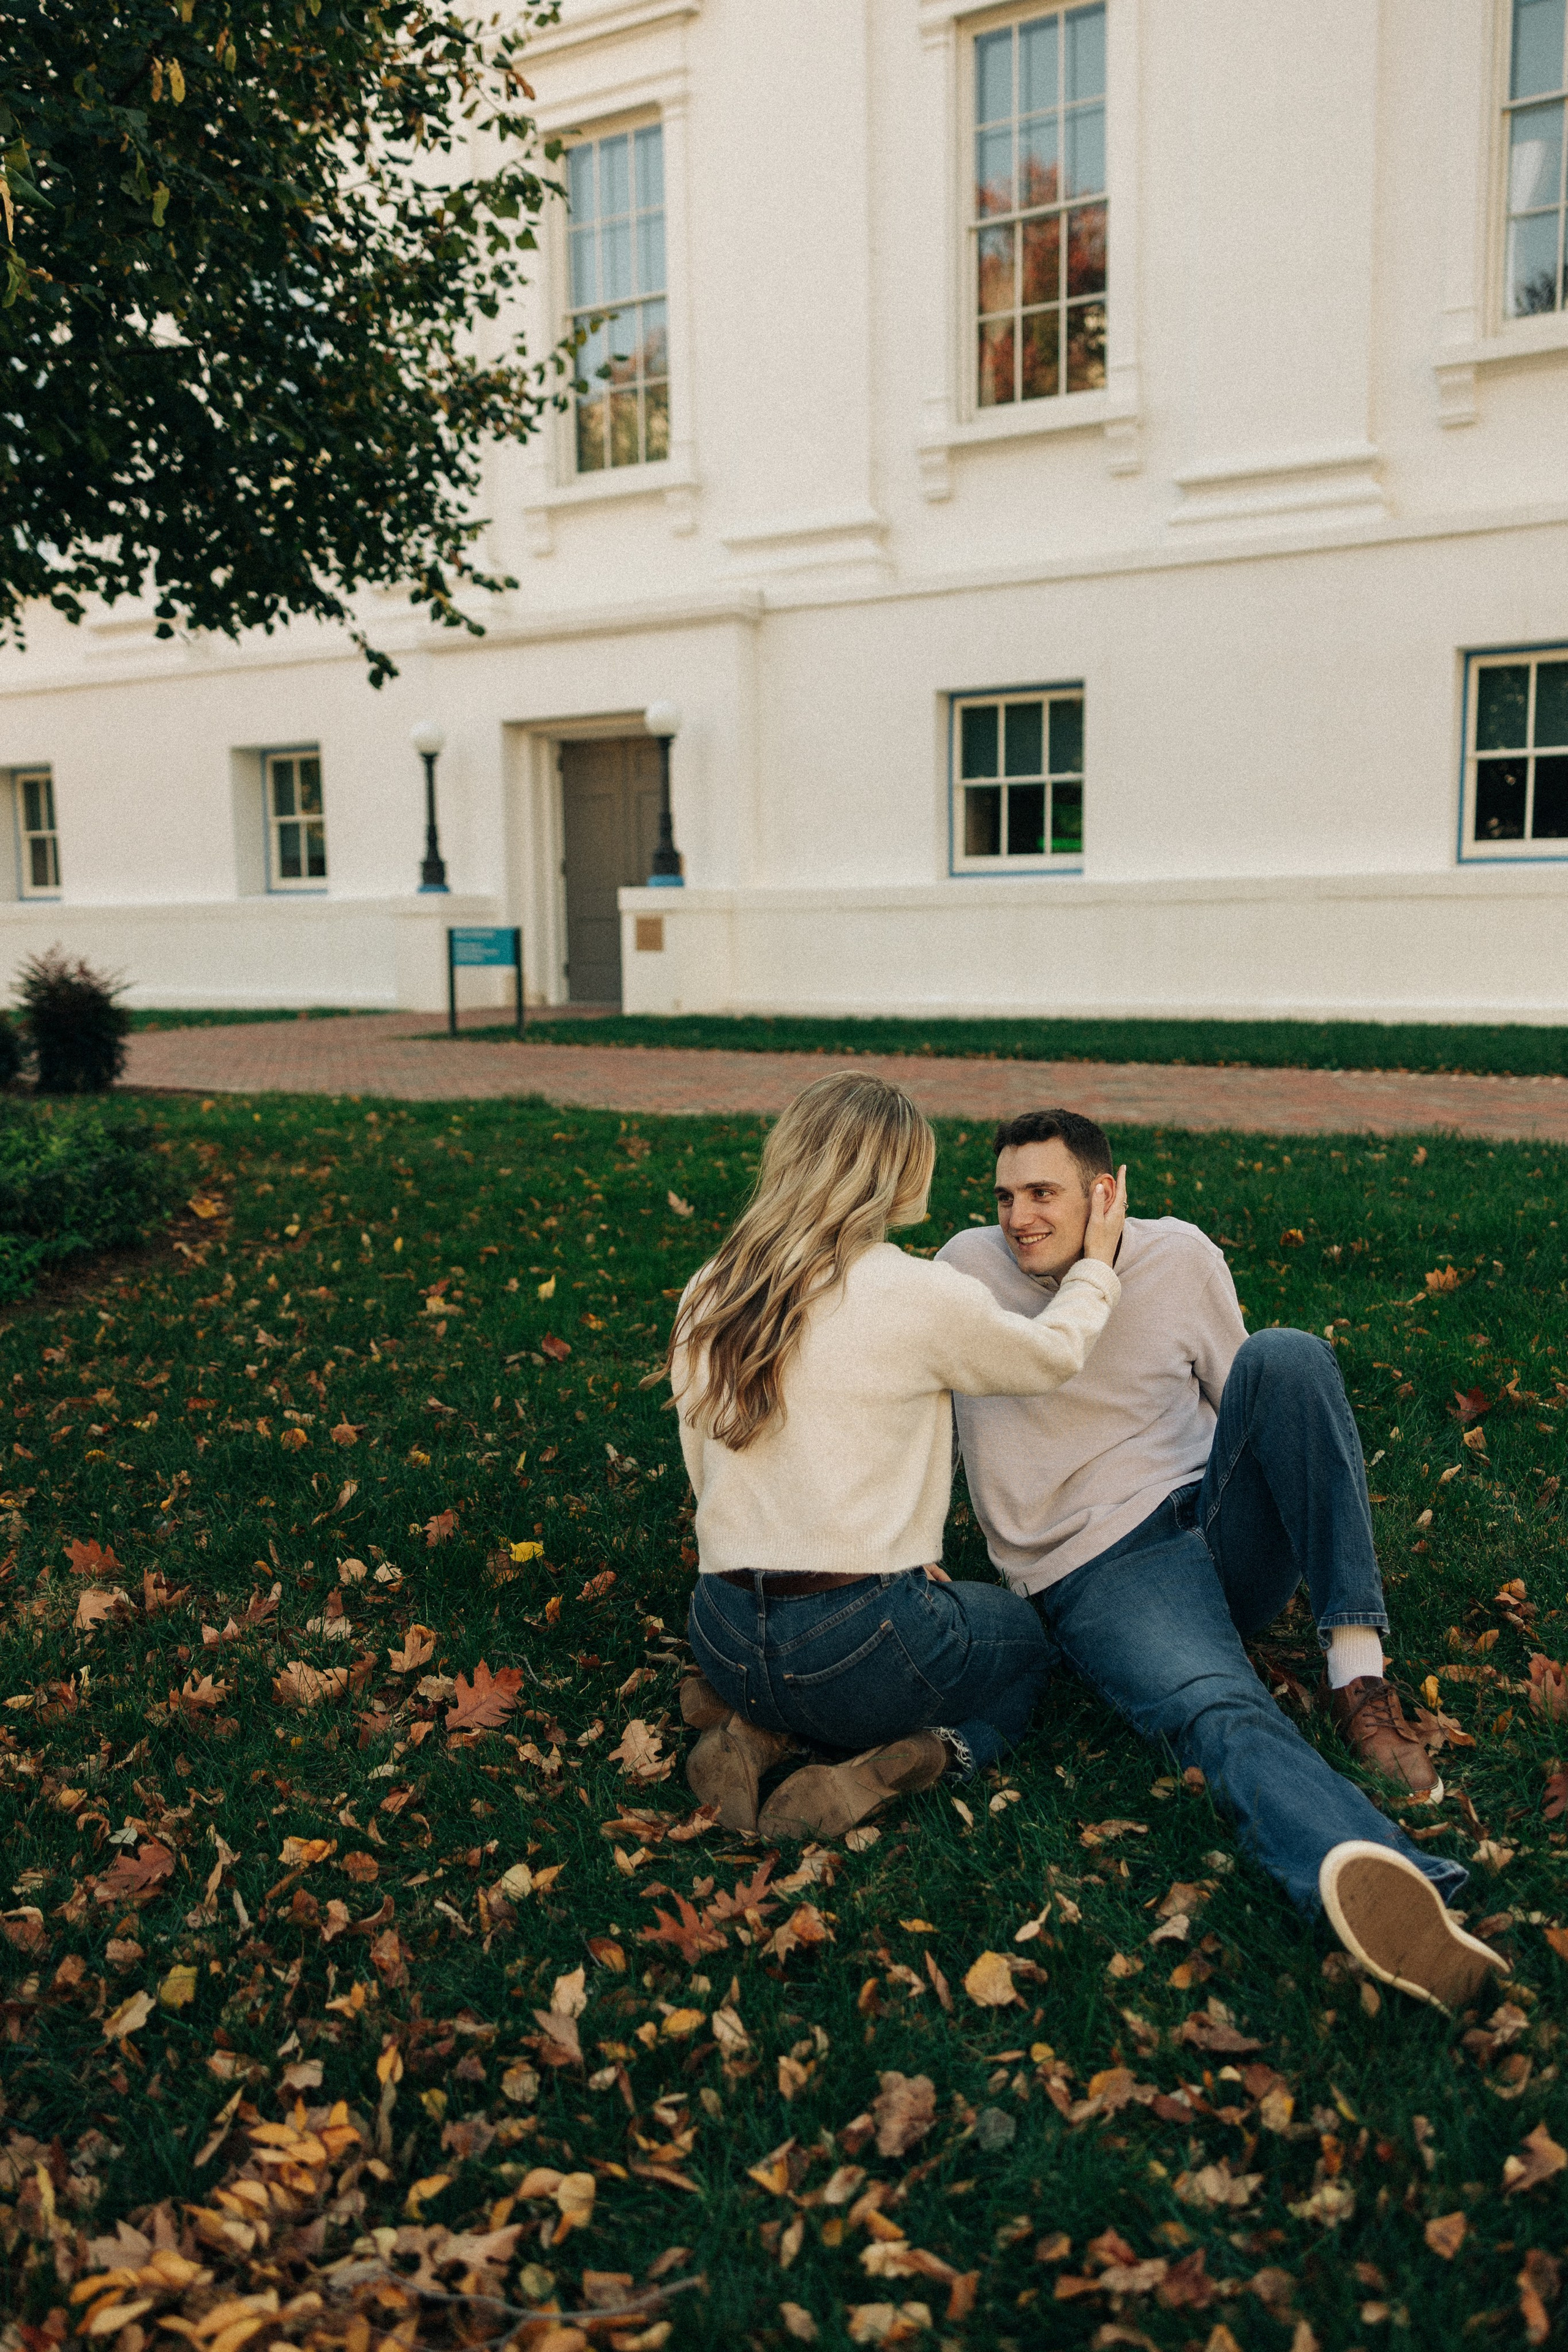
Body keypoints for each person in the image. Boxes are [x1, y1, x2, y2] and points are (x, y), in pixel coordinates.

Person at [937, 1107, 1509, 2013]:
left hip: (1215, 1516)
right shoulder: (965, 1273)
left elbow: (1252, 1403)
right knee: (1220, 1710)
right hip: (1103, 1564)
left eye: (1043, 1193)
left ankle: (1359, 1678)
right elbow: (917, 1410)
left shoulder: (1179, 1256)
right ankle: (1381, 1884)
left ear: (1105, 1193)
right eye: (1005, 1196)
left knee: (1287, 1357)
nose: (1019, 1218)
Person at [668, 1071, 1126, 1841]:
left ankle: (749, 1735)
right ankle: (922, 1759)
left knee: (808, 1674)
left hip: (722, 1630)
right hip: (857, 1641)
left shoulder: (712, 1286)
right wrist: (1098, 1265)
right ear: (898, 1171)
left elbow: (703, 1469)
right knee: (1026, 1645)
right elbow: (1051, 1354)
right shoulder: (914, 1291)